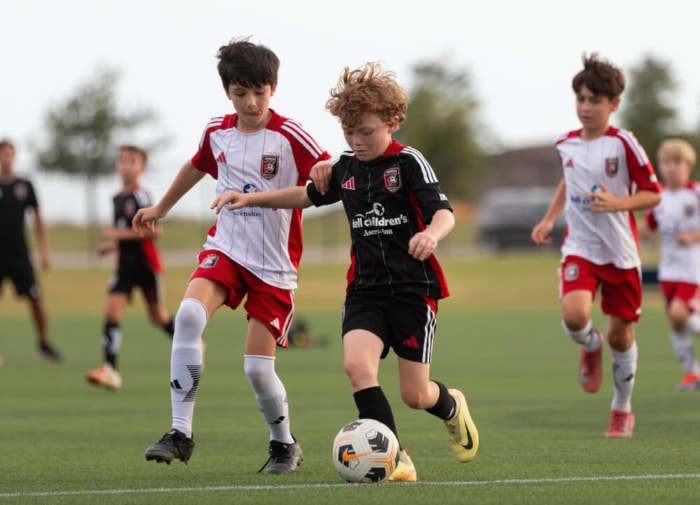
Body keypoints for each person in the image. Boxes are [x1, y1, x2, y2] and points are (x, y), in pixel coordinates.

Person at [211, 61, 479, 482]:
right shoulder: (346, 168)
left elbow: (443, 212)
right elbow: (305, 195)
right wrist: (254, 199)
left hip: (413, 290)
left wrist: (432, 235)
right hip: (365, 291)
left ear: (392, 122)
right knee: (357, 368)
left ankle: (450, 405)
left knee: (415, 394)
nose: (356, 141)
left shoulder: (408, 162)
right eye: (348, 133)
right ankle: (396, 457)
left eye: (365, 132)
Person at [132, 37, 330, 474]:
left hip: (274, 267)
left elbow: (319, 186)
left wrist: (317, 171)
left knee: (257, 371)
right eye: (242, 93)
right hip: (226, 250)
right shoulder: (216, 131)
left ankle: (284, 444)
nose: (252, 101)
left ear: (273, 87)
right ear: (228, 92)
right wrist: (161, 208)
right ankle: (180, 433)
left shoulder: (289, 134)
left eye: (260, 91)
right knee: (186, 317)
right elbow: (196, 164)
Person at [531, 53, 661, 438]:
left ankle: (621, 409)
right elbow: (567, 182)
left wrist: (619, 203)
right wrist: (550, 218)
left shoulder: (624, 143)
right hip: (581, 247)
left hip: (620, 252)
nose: (586, 108)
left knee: (622, 336)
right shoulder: (565, 143)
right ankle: (590, 344)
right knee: (574, 316)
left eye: (595, 101)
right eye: (581, 99)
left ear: (614, 104)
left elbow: (652, 194)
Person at [85, 145, 175, 391]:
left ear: (141, 168)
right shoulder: (117, 198)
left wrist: (116, 234)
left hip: (147, 266)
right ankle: (110, 370)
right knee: (111, 313)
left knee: (158, 318)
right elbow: (130, 234)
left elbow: (153, 231)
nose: (125, 165)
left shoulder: (141, 196)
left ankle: (191, 343)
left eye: (132, 161)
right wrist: (113, 247)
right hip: (124, 267)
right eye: (122, 160)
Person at [640, 138, 700, 391]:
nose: (671, 167)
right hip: (669, 270)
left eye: (676, 162)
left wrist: (694, 236)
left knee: (678, 314)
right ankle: (692, 374)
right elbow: (649, 226)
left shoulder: (695, 193)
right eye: (666, 162)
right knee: (675, 322)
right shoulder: (658, 197)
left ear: (688, 165)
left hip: (693, 268)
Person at [0, 139, 61, 362]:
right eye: (2, 153)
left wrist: (45, 249)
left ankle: (44, 344)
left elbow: (38, 218)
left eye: (9, 152)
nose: (5, 157)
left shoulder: (24, 185)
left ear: (14, 156)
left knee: (36, 300)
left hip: (19, 254)